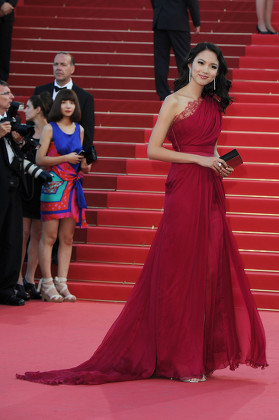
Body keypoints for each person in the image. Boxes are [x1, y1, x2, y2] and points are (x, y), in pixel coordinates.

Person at [17, 43, 268, 384]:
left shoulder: (214, 103)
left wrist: (218, 161)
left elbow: (208, 147)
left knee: (206, 270)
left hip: (209, 190)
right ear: (189, 64)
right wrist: (200, 159)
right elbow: (154, 149)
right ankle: (178, 358)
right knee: (180, 270)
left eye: (214, 66)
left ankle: (198, 353)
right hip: (183, 189)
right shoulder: (173, 101)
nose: (207, 70)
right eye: (201, 63)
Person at [34, 89, 88, 303]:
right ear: (58, 105)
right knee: (49, 236)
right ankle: (46, 282)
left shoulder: (80, 129)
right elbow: (40, 159)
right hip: (54, 187)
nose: (68, 106)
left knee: (67, 238)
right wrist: (65, 157)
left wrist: (85, 163)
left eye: (71, 103)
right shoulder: (49, 128)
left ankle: (62, 282)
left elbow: (82, 165)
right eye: (64, 102)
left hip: (73, 187)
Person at [15, 92, 53, 301]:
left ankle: (30, 278)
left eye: (28, 106)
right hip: (24, 187)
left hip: (44, 187)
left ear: (38, 109)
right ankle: (17, 278)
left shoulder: (51, 131)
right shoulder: (23, 132)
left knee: (38, 233)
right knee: (24, 232)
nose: (25, 110)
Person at [33, 51, 94, 153]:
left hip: (70, 154)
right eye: (56, 64)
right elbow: (32, 120)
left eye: (63, 64)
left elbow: (88, 132)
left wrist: (83, 158)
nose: (58, 68)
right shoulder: (39, 91)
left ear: (72, 69)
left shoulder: (85, 97)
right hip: (40, 151)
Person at [0, 80, 24, 306]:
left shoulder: (12, 121)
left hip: (13, 184)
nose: (11, 96)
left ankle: (6, 288)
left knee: (12, 237)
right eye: (6, 93)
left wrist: (20, 141)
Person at [151, 0, 200, 101]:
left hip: (160, 20)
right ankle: (185, 91)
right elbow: (192, 2)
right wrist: (196, 22)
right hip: (179, 21)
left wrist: (159, 9)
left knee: (160, 60)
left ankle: (163, 94)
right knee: (183, 59)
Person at [0, 1, 17, 81]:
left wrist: (9, 5)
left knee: (4, 53)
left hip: (6, 17)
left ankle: (2, 85)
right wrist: (1, 4)